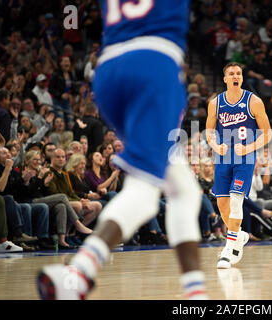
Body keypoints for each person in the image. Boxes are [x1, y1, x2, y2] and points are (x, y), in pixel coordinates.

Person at [37, 0, 208, 300]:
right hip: (153, 66)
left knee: (185, 190)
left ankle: (195, 293)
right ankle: (78, 274)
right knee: (144, 193)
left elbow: (75, 14)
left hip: (109, 73)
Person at [206, 61, 272, 269]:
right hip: (224, 157)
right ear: (225, 78)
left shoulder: (254, 101)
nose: (236, 76)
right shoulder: (215, 103)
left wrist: (250, 146)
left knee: (236, 199)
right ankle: (240, 234)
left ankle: (230, 249)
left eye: (239, 74)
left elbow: (268, 133)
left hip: (245, 156)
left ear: (242, 78)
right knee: (222, 205)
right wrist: (216, 146)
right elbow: (208, 131)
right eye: (232, 73)